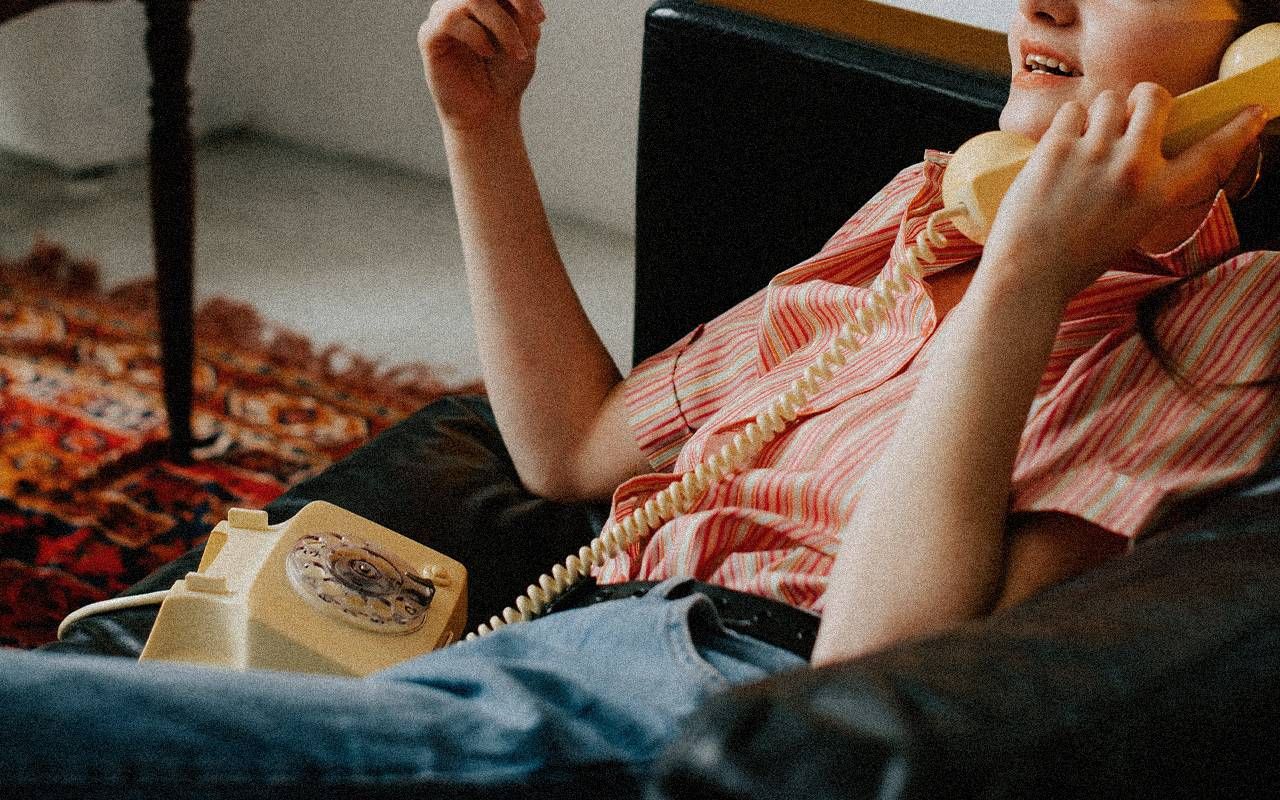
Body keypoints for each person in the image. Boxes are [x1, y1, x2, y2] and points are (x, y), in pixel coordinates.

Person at [2, 0, 1279, 795]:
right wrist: (480, 130)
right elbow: (572, 451)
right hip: (563, 645)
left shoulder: (1228, 308)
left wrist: (1026, 276)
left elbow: (869, 675)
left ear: (1249, 76)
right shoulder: (922, 208)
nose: (1039, 2)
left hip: (704, 713)